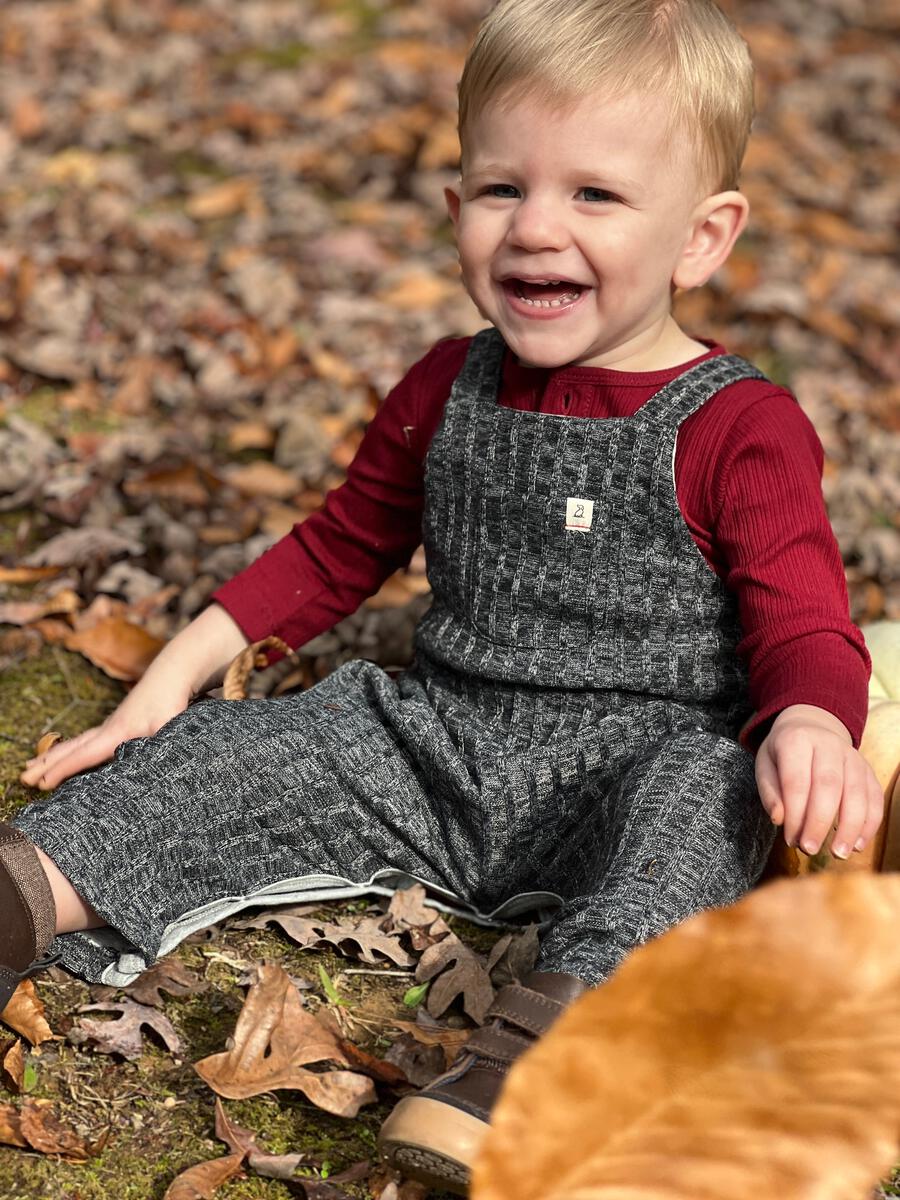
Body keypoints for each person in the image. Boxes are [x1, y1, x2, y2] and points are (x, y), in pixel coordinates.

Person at [3, 0, 883, 1191]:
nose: (537, 228)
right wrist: (163, 689)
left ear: (702, 237)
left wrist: (813, 719)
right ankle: (31, 888)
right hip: (435, 745)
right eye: (503, 188)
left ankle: (552, 1051)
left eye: (596, 195)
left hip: (633, 765)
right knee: (242, 747)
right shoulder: (447, 385)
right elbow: (335, 549)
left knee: (708, 804)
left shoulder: (739, 426)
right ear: (455, 205)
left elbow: (803, 616)